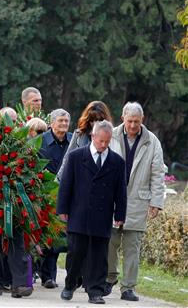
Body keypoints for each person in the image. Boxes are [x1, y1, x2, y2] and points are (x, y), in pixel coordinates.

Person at [57, 120, 127, 305]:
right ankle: (70, 284)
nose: (103, 145)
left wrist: (120, 214)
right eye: (100, 141)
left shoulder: (117, 162)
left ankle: (95, 291)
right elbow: (66, 185)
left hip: (102, 216)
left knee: (99, 255)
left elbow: (121, 191)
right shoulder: (76, 156)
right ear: (92, 136)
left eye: (107, 141)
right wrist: (62, 208)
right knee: (76, 252)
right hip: (78, 212)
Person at [105, 102, 165, 301]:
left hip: (138, 201)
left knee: (133, 246)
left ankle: (128, 287)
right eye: (129, 121)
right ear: (123, 118)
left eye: (136, 122)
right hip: (112, 199)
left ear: (142, 120)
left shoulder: (152, 141)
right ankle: (109, 277)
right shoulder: (110, 135)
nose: (132, 125)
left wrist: (156, 202)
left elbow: (158, 174)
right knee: (109, 242)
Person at [37, 109, 72, 289]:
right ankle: (44, 275)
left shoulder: (74, 141)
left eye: (66, 121)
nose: (64, 124)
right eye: (60, 121)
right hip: (44, 196)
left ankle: (57, 277)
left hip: (67, 196)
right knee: (46, 236)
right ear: (51, 123)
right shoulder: (40, 142)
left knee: (61, 237)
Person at [58, 101, 112, 180]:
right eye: (92, 120)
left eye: (99, 120)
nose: (95, 123)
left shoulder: (111, 136)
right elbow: (67, 158)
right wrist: (59, 180)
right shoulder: (79, 134)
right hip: (80, 180)